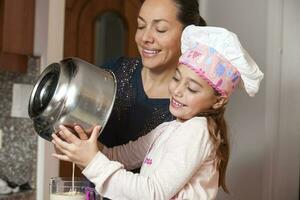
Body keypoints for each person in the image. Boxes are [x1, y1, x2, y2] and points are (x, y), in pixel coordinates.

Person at [51, 25, 264, 199]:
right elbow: (117, 157)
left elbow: (153, 193)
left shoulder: (198, 130)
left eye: (191, 88)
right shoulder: (168, 128)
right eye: (177, 78)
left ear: (218, 101)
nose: (178, 91)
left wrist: (91, 161)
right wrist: (84, 146)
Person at [99, 0, 207, 154]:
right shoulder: (113, 71)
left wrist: (89, 156)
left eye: (160, 29)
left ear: (187, 35)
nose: (145, 38)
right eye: (141, 26)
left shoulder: (189, 106)